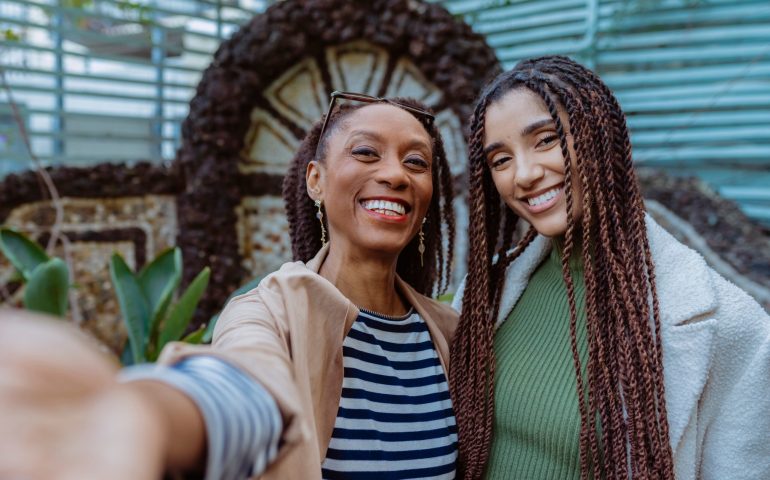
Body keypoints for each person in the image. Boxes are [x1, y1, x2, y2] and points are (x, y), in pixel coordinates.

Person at [0, 91, 459, 480]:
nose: (396, 174)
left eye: (416, 161)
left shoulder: (449, 332)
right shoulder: (269, 313)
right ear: (315, 181)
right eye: (366, 152)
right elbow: (247, 382)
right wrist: (145, 415)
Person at [449, 55, 770, 480]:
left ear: (601, 135)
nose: (523, 175)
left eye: (545, 140)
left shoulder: (731, 327)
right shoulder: (482, 295)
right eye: (500, 160)